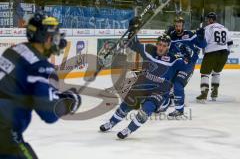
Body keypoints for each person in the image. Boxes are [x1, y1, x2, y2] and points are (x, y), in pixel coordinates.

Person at [99, 18, 199, 139]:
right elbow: (134, 43)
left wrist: (191, 54)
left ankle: (128, 130)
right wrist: (133, 29)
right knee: (126, 104)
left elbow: (189, 65)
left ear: (168, 47)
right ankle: (112, 123)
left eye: (164, 46)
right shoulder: (149, 51)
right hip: (142, 85)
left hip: (160, 91)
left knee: (146, 110)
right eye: (160, 45)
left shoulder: (175, 59)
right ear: (157, 44)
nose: (161, 48)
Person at [0, 12, 81, 158]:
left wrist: (55, 95)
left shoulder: (12, 51)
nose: (58, 40)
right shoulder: (40, 66)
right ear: (47, 38)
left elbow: (22, 87)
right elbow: (49, 114)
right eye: (55, 36)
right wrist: (70, 101)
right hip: (4, 134)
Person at [196, 12, 233, 103]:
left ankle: (204, 94)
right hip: (224, 53)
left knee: (205, 73)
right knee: (216, 72)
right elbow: (230, 43)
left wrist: (200, 36)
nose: (207, 21)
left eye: (208, 19)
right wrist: (226, 52)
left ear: (211, 19)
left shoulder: (208, 28)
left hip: (212, 53)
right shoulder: (224, 28)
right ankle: (214, 93)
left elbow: (204, 43)